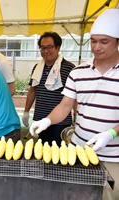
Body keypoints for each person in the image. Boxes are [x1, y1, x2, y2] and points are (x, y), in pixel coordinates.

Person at [29, 9, 119, 200]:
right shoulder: (78, 72)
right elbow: (64, 106)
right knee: (76, 195)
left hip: (114, 155)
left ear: (117, 42)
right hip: (79, 150)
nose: (97, 47)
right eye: (93, 41)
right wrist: (47, 121)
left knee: (109, 196)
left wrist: (111, 134)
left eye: (104, 42)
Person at [23, 32, 75, 146]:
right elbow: (33, 90)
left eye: (49, 47)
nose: (46, 51)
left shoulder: (69, 68)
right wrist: (26, 111)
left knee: (60, 155)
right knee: (43, 151)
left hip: (61, 122)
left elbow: (75, 96)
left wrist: (77, 116)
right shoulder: (37, 68)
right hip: (40, 119)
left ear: (58, 47)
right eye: (42, 48)